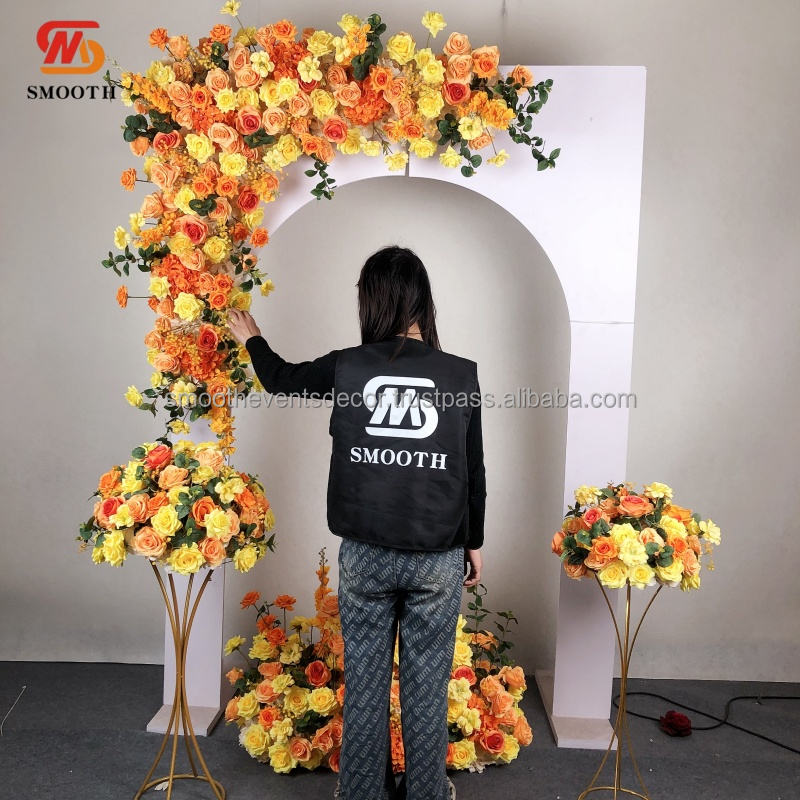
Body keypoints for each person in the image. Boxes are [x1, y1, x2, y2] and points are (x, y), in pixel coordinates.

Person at [227, 245, 486, 800]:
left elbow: (281, 379)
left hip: (366, 553)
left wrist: (252, 335)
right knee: (426, 685)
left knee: (366, 684)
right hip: (438, 553)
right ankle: (426, 793)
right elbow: (473, 467)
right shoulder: (460, 374)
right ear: (423, 301)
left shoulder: (349, 366)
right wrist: (474, 541)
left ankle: (363, 792)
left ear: (372, 301)